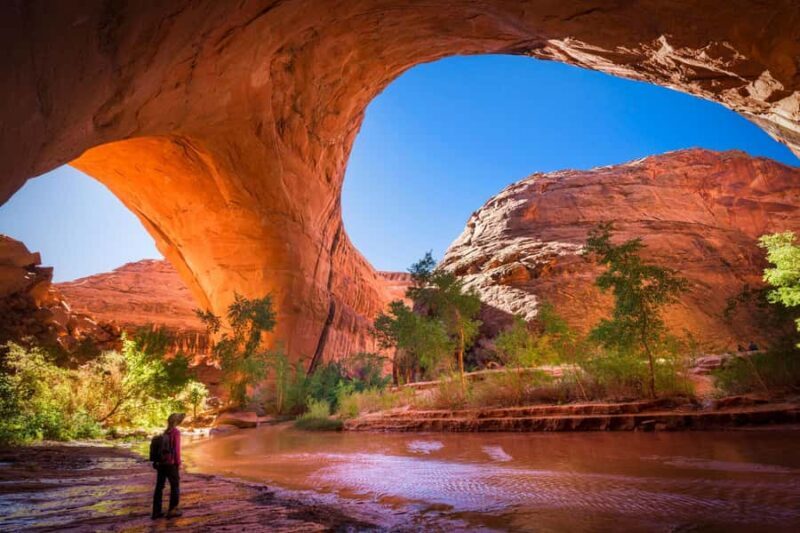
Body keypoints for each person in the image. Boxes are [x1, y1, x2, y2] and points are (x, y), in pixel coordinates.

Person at [152, 412, 185, 519]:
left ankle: (156, 512)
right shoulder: (175, 432)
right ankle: (172, 510)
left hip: (161, 463)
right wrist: (178, 463)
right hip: (171, 464)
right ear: (177, 422)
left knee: (159, 487)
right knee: (175, 485)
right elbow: (176, 449)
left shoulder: (165, 432)